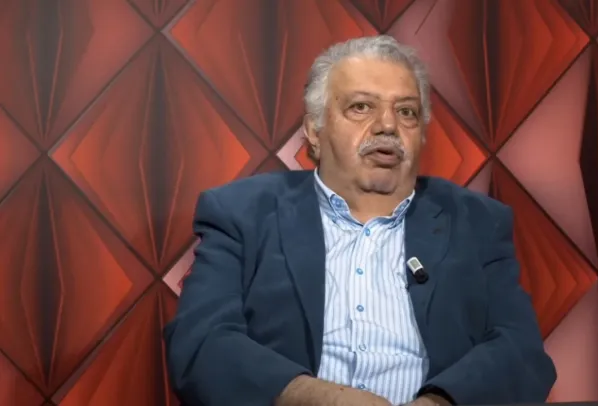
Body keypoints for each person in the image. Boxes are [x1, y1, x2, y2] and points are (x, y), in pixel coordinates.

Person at [164, 35, 556, 406]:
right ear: (314, 131)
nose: (388, 125)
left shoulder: (477, 222)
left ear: (421, 134)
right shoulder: (242, 214)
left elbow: (520, 351)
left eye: (406, 111)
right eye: (361, 107)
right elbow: (201, 343)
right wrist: (323, 399)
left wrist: (438, 403)